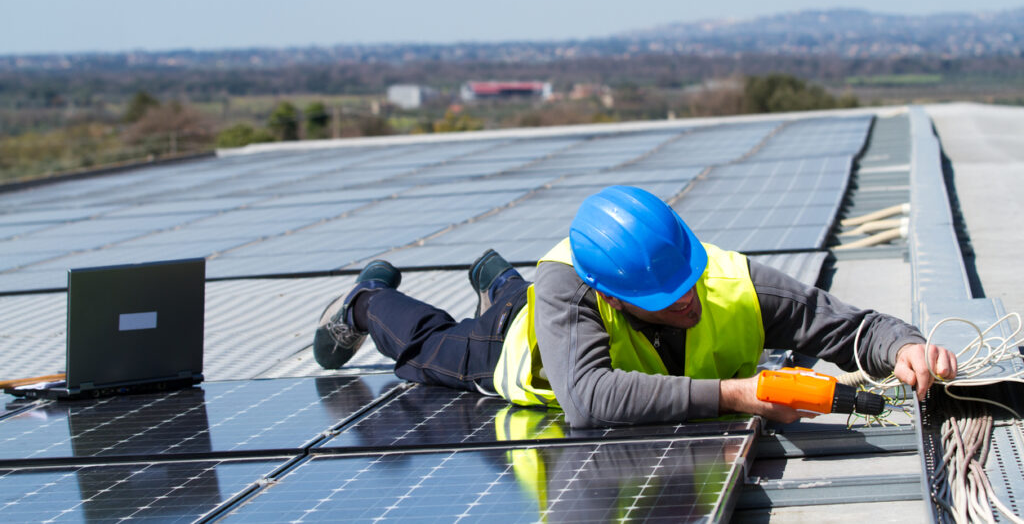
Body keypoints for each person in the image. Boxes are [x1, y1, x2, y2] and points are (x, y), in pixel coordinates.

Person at [313, 185, 957, 428]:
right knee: (435, 346)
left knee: (515, 295)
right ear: (608, 294)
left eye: (688, 286)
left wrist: (904, 348)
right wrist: (737, 394)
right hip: (516, 350)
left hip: (539, 299)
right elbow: (589, 398)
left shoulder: (732, 281)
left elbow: (855, 328)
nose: (686, 304)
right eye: (663, 302)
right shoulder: (570, 288)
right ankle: (368, 299)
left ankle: (494, 276)